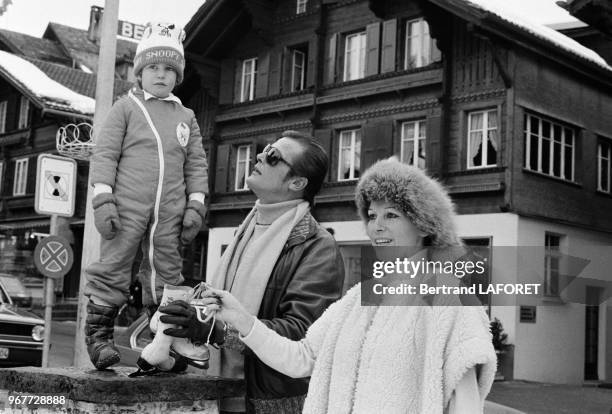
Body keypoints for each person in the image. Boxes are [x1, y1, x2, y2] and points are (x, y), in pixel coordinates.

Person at [183, 158, 497, 414]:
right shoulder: (359, 297)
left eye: (392, 215)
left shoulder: (449, 299)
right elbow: (300, 357)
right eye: (372, 215)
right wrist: (242, 319)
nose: (377, 226)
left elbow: (466, 403)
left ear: (423, 224)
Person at [160, 131, 345, 413]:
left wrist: (218, 330)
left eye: (273, 157)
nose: (260, 156)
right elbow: (222, 306)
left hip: (267, 402)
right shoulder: (246, 230)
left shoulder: (318, 247)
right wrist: (189, 320)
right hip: (219, 393)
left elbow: (300, 335)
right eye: (265, 149)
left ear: (297, 182)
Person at [83, 22, 209, 370]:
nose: (161, 75)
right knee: (114, 266)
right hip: (125, 209)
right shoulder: (125, 108)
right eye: (153, 67)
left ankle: (164, 345)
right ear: (140, 71)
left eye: (170, 69)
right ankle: (98, 339)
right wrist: (103, 199)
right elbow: (104, 155)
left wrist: (196, 205)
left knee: (168, 274)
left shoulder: (187, 117)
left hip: (170, 212)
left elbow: (196, 164)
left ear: (178, 76)